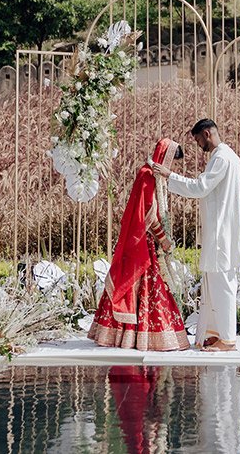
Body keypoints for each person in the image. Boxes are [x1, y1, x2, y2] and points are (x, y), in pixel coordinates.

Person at [88, 138, 189, 352]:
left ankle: (128, 336)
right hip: (143, 244)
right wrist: (164, 239)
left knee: (146, 289)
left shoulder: (152, 175)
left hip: (144, 241)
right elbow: (147, 215)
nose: (172, 168)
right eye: (172, 162)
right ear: (164, 158)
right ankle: (138, 338)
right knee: (146, 287)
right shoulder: (148, 175)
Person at [153, 118, 240, 352]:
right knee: (213, 284)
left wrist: (169, 175)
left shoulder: (222, 158)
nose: (198, 145)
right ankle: (216, 334)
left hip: (220, 231)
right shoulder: (230, 157)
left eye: (197, 140)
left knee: (222, 284)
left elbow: (199, 188)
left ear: (206, 134)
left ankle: (228, 339)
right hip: (221, 229)